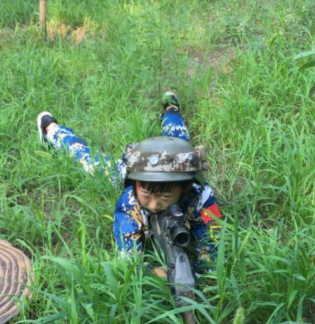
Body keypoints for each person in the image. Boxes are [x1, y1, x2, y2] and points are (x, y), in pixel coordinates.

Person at [37, 92, 221, 274]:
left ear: (185, 188)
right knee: (88, 160)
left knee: (178, 136)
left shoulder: (201, 196)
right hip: (138, 168)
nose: (154, 205)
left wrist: (199, 272)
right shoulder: (130, 203)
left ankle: (171, 107)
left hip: (170, 168)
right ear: (133, 185)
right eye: (146, 194)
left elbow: (214, 245)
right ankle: (51, 129)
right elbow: (128, 260)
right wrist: (152, 273)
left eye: (165, 196)